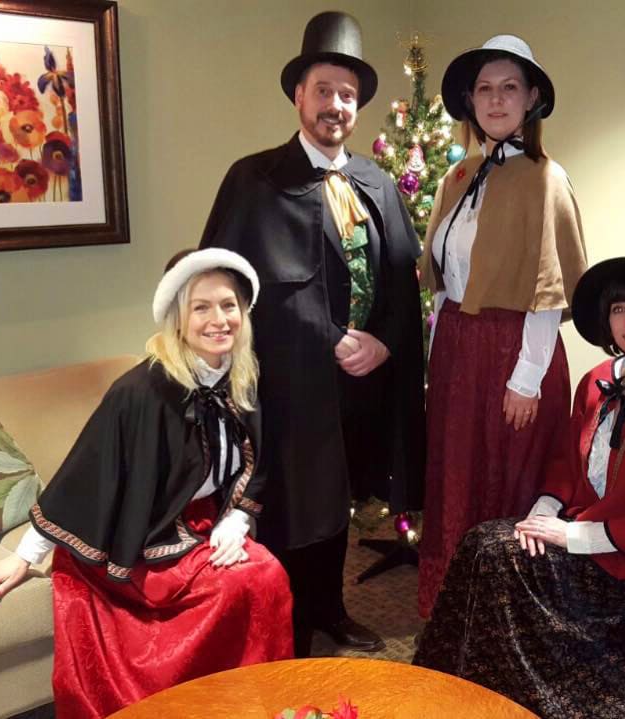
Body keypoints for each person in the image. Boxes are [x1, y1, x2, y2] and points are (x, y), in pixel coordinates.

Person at [0, 248, 294, 718]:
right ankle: (196, 704)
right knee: (254, 580)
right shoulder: (141, 392)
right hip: (140, 539)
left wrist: (239, 518)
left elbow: (257, 458)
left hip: (202, 526)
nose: (219, 319)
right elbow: (85, 475)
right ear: (178, 319)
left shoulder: (240, 377)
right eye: (201, 307)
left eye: (229, 305)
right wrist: (25, 557)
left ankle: (246, 701)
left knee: (265, 577)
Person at [199, 11, 426, 657]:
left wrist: (382, 340)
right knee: (294, 502)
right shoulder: (255, 179)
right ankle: (288, 621)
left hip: (363, 380)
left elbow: (399, 285)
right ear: (299, 95)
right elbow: (234, 288)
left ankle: (331, 606)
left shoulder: (377, 183)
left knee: (343, 499)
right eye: (323, 90)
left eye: (347, 95)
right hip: (292, 381)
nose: (335, 105)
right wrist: (328, 337)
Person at [414, 257, 625, 719]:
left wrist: (569, 536)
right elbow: (565, 460)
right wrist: (544, 512)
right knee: (485, 542)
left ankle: (523, 697)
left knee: (503, 560)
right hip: (586, 527)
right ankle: (460, 685)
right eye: (619, 309)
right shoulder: (599, 380)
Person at [416, 34, 588, 618]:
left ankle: (505, 620)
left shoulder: (546, 178)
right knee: (456, 476)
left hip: (516, 352)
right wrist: (440, 354)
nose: (495, 100)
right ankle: (453, 608)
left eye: (509, 87)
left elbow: (547, 287)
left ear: (532, 98)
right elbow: (444, 283)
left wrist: (527, 377)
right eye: (484, 89)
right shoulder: (457, 176)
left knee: (505, 480)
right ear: (470, 101)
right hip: (459, 350)